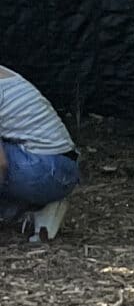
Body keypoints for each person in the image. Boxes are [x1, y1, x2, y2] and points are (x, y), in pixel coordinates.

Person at [0, 67, 81, 241]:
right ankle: (40, 206)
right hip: (62, 168)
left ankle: (30, 204)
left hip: (45, 170)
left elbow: (1, 163)